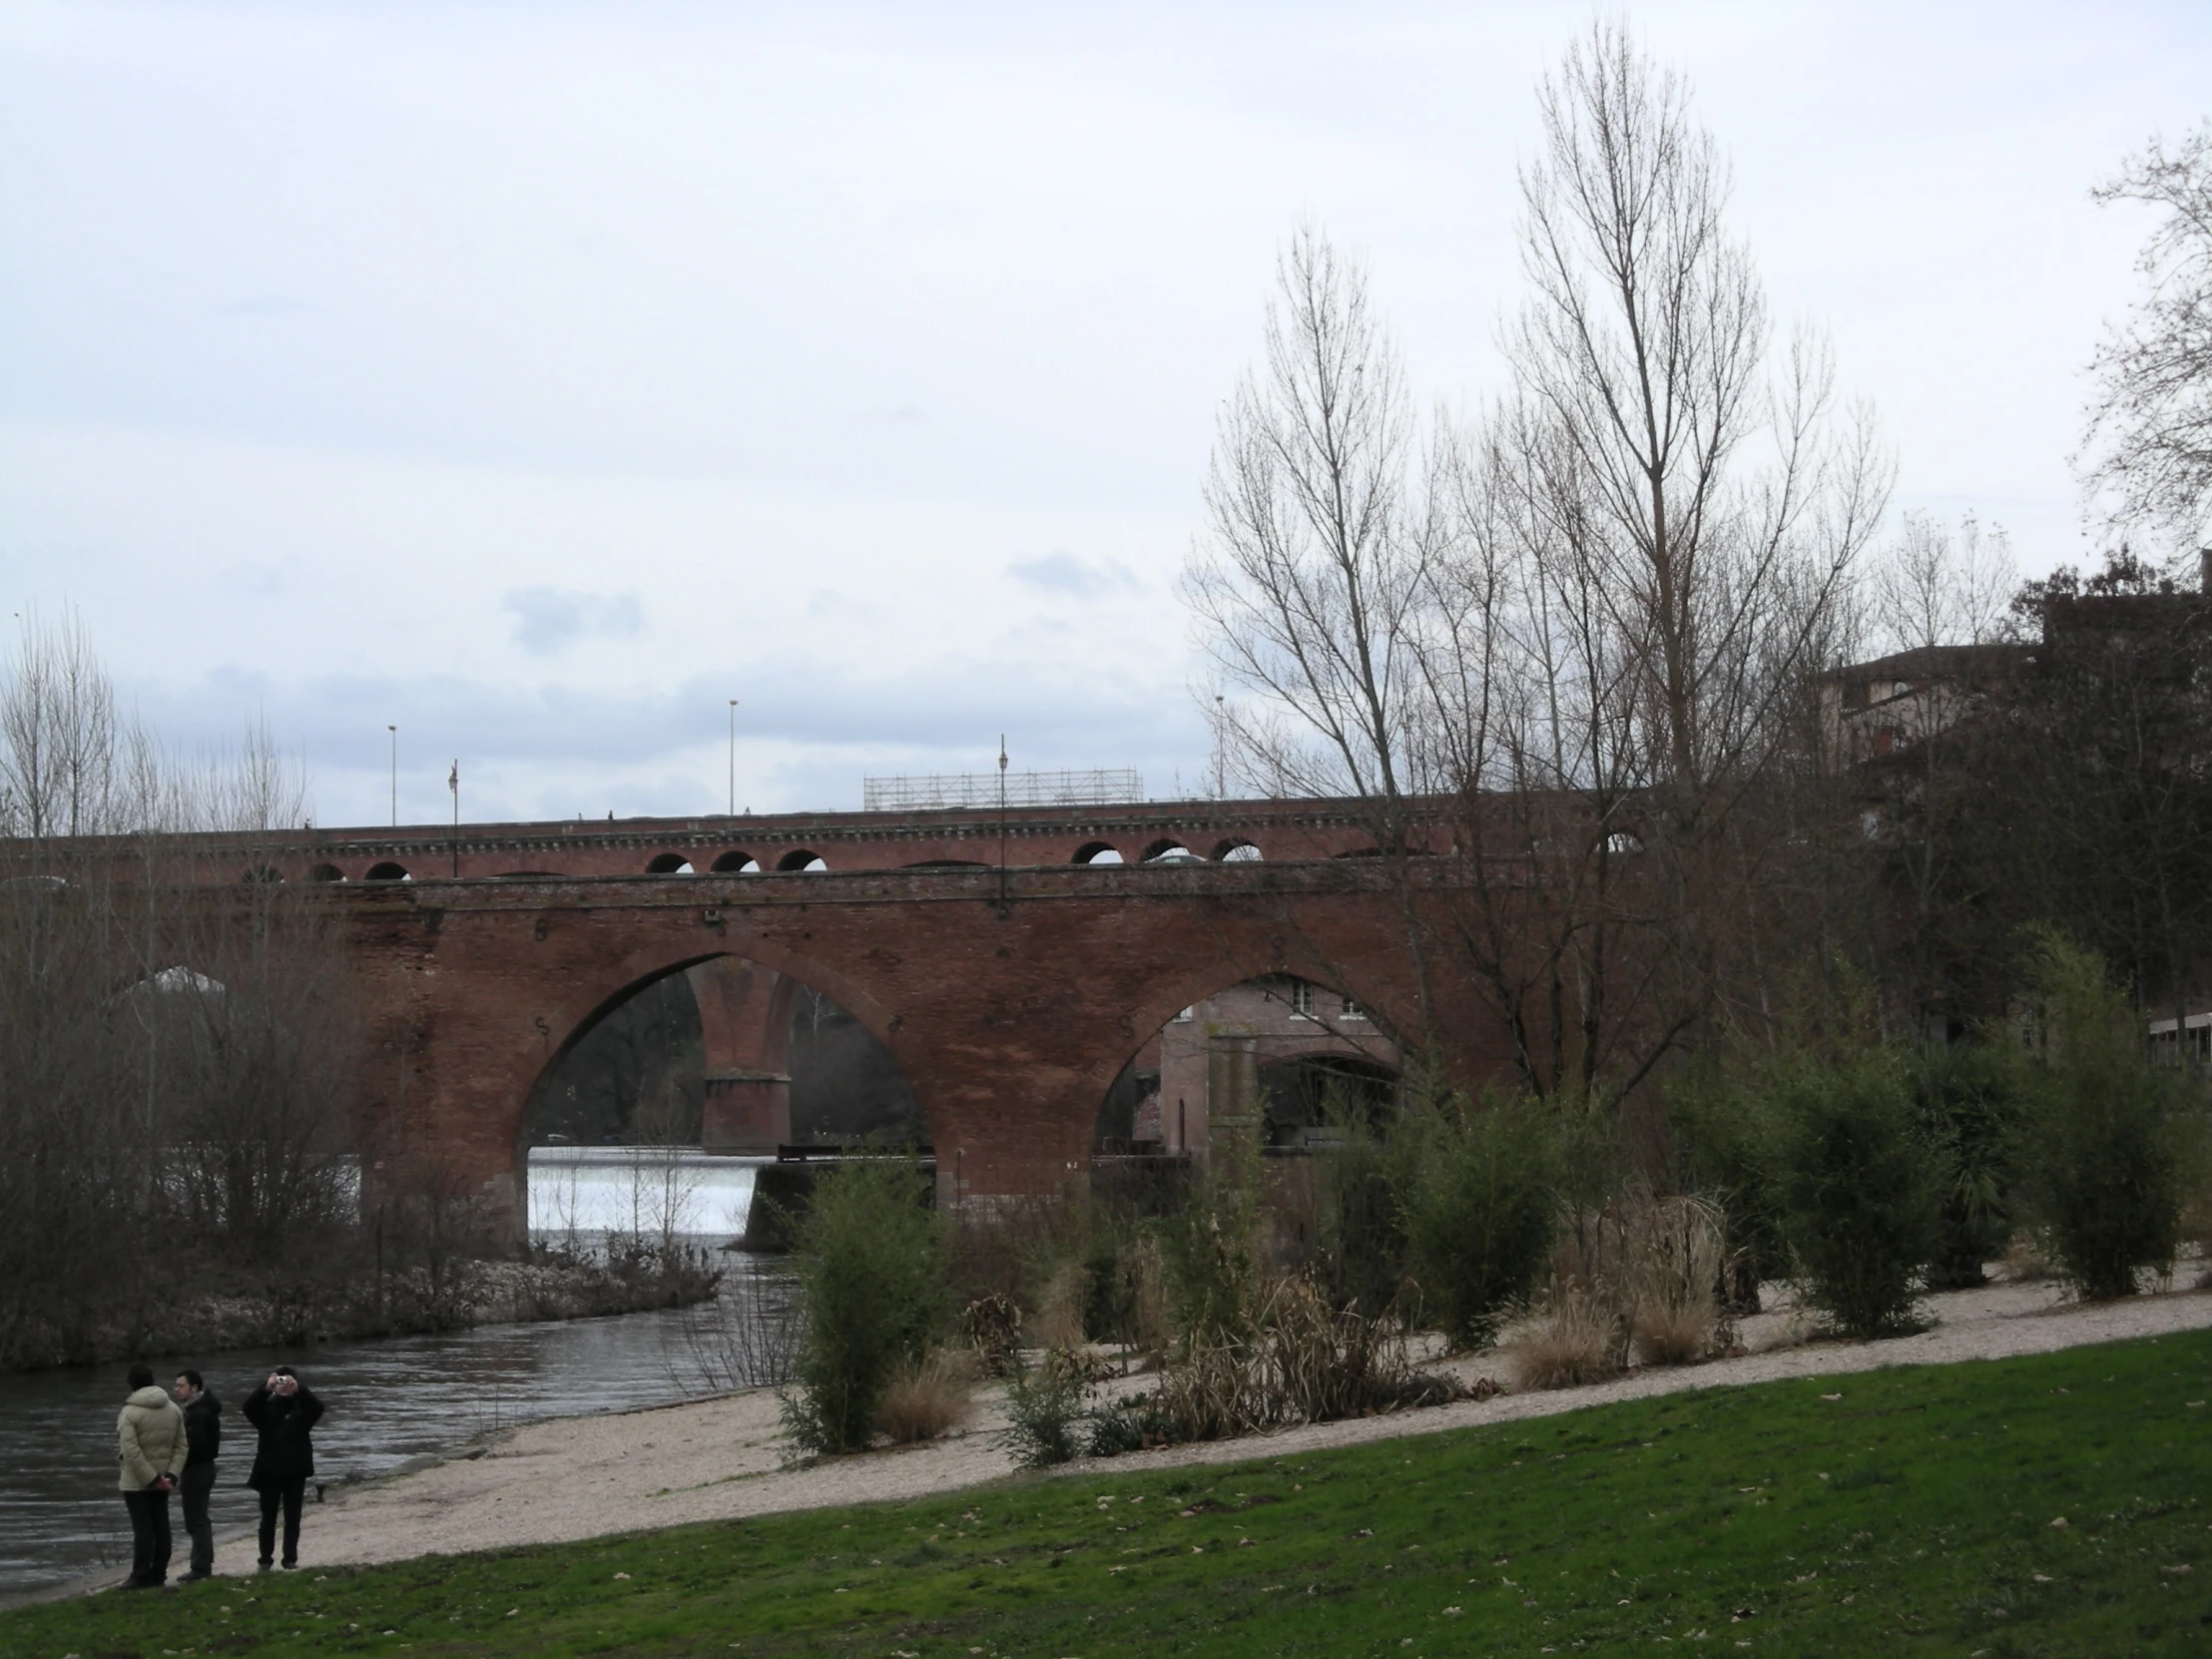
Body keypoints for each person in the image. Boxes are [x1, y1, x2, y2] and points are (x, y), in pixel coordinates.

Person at [242, 1366, 323, 1570]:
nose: (283, 1386)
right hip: (269, 1471)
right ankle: (265, 1559)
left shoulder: (302, 1410)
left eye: (287, 1382)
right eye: (279, 1382)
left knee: (292, 1517)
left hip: (295, 1471)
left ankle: (290, 1558)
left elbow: (317, 1408)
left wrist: (299, 1391)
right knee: (267, 1518)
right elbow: (248, 1408)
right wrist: (265, 1388)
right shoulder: (265, 1409)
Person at [116, 1362, 189, 1589]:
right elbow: (181, 1446)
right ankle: (159, 1573)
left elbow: (131, 1451)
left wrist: (150, 1478)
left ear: (131, 1384)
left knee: (143, 1530)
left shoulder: (129, 1412)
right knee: (162, 1527)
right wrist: (170, 1476)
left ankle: (140, 1575)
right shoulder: (173, 1409)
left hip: (137, 1482)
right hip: (164, 1481)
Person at [172, 1370, 223, 1581]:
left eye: (181, 1385)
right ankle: (202, 1563)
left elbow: (195, 1446)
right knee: (199, 1516)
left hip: (197, 1469)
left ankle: (201, 1567)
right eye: (176, 1385)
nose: (176, 1390)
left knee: (195, 1518)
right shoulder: (200, 1410)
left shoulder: (198, 1414)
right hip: (202, 1468)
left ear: (194, 1388)